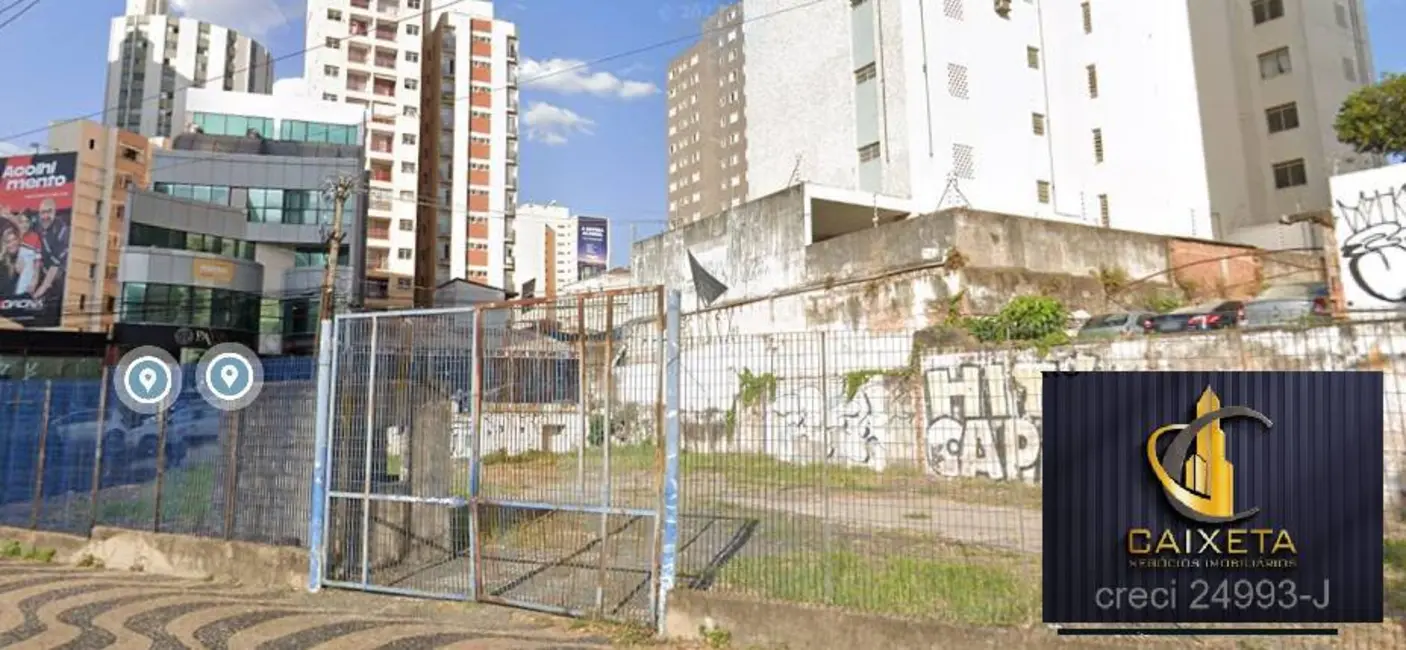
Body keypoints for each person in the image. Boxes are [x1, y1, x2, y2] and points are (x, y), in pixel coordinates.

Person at [30, 198, 69, 323]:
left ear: (55, 212)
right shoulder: (36, 224)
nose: (45, 216)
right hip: (39, 269)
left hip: (56, 277)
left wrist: (41, 289)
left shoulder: (63, 230)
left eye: (49, 212)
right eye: (43, 212)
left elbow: (55, 264)